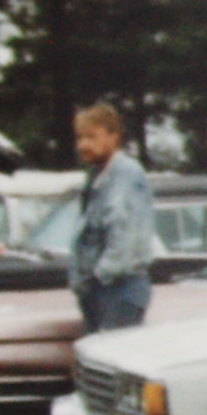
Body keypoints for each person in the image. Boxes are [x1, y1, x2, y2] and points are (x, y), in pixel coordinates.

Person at [69, 102, 156, 334]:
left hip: (119, 288)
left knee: (111, 353)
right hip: (100, 289)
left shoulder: (126, 173)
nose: (83, 145)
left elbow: (123, 234)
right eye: (79, 138)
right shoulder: (96, 176)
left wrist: (98, 277)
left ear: (113, 136)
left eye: (91, 137)